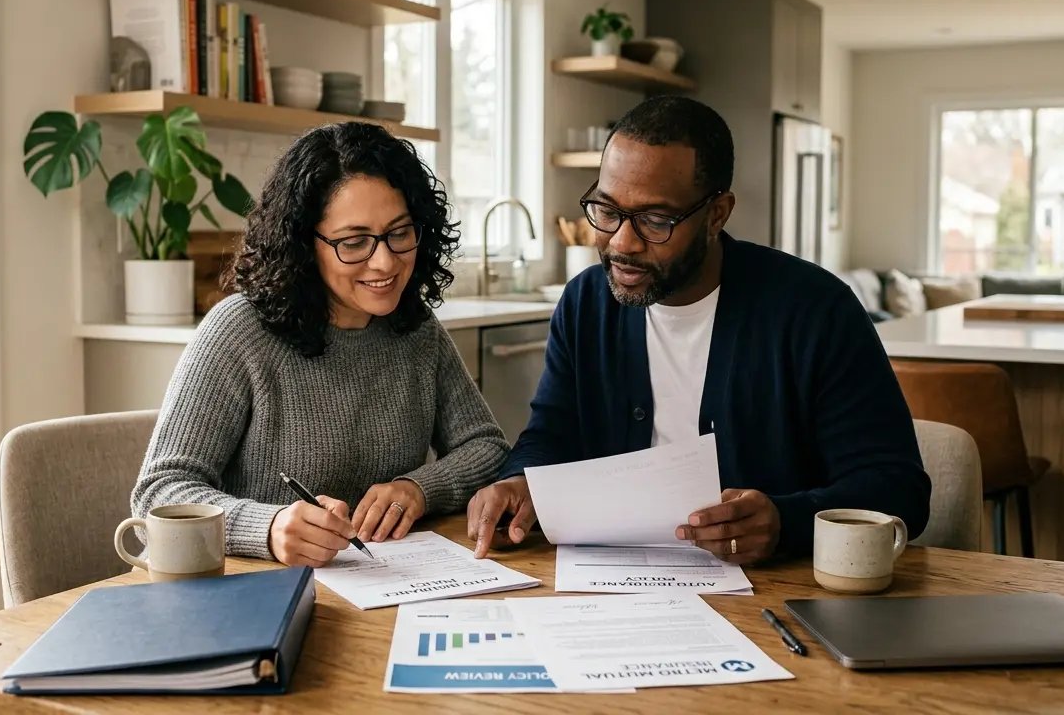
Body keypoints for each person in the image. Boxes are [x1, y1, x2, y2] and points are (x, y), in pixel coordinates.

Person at [466, 96, 930, 564]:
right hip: (613, 583)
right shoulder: (587, 302)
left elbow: (897, 487)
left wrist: (786, 522)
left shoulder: (815, 311)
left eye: (655, 220)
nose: (622, 243)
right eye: (606, 211)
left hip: (776, 594)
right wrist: (521, 479)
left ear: (716, 214)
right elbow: (553, 432)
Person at [132, 122, 509, 568]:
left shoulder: (416, 329)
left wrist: (419, 489)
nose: (385, 261)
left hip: (380, 585)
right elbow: (159, 491)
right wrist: (268, 528)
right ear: (304, 244)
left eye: (400, 233)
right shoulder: (238, 331)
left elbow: (486, 449)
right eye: (354, 242)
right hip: (256, 594)